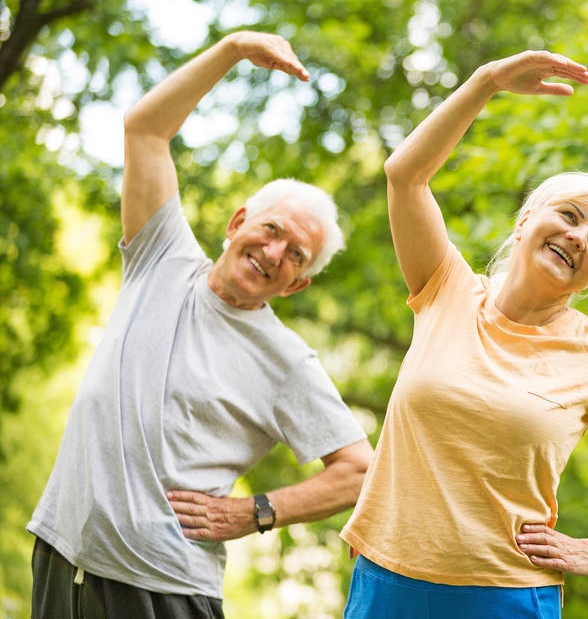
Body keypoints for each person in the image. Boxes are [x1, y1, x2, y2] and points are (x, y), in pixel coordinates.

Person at [27, 31, 373, 619]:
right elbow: (145, 130)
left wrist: (256, 512)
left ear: (297, 285)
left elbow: (359, 472)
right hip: (64, 552)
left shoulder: (284, 360)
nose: (275, 252)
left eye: (296, 255)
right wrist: (233, 49)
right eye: (272, 230)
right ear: (240, 222)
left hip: (163, 587)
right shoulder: (162, 255)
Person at [340, 50, 588, 618]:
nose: (579, 238)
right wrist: (488, 81)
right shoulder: (445, 288)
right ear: (526, 221)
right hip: (389, 581)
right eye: (569, 216)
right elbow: (405, 176)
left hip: (507, 596)